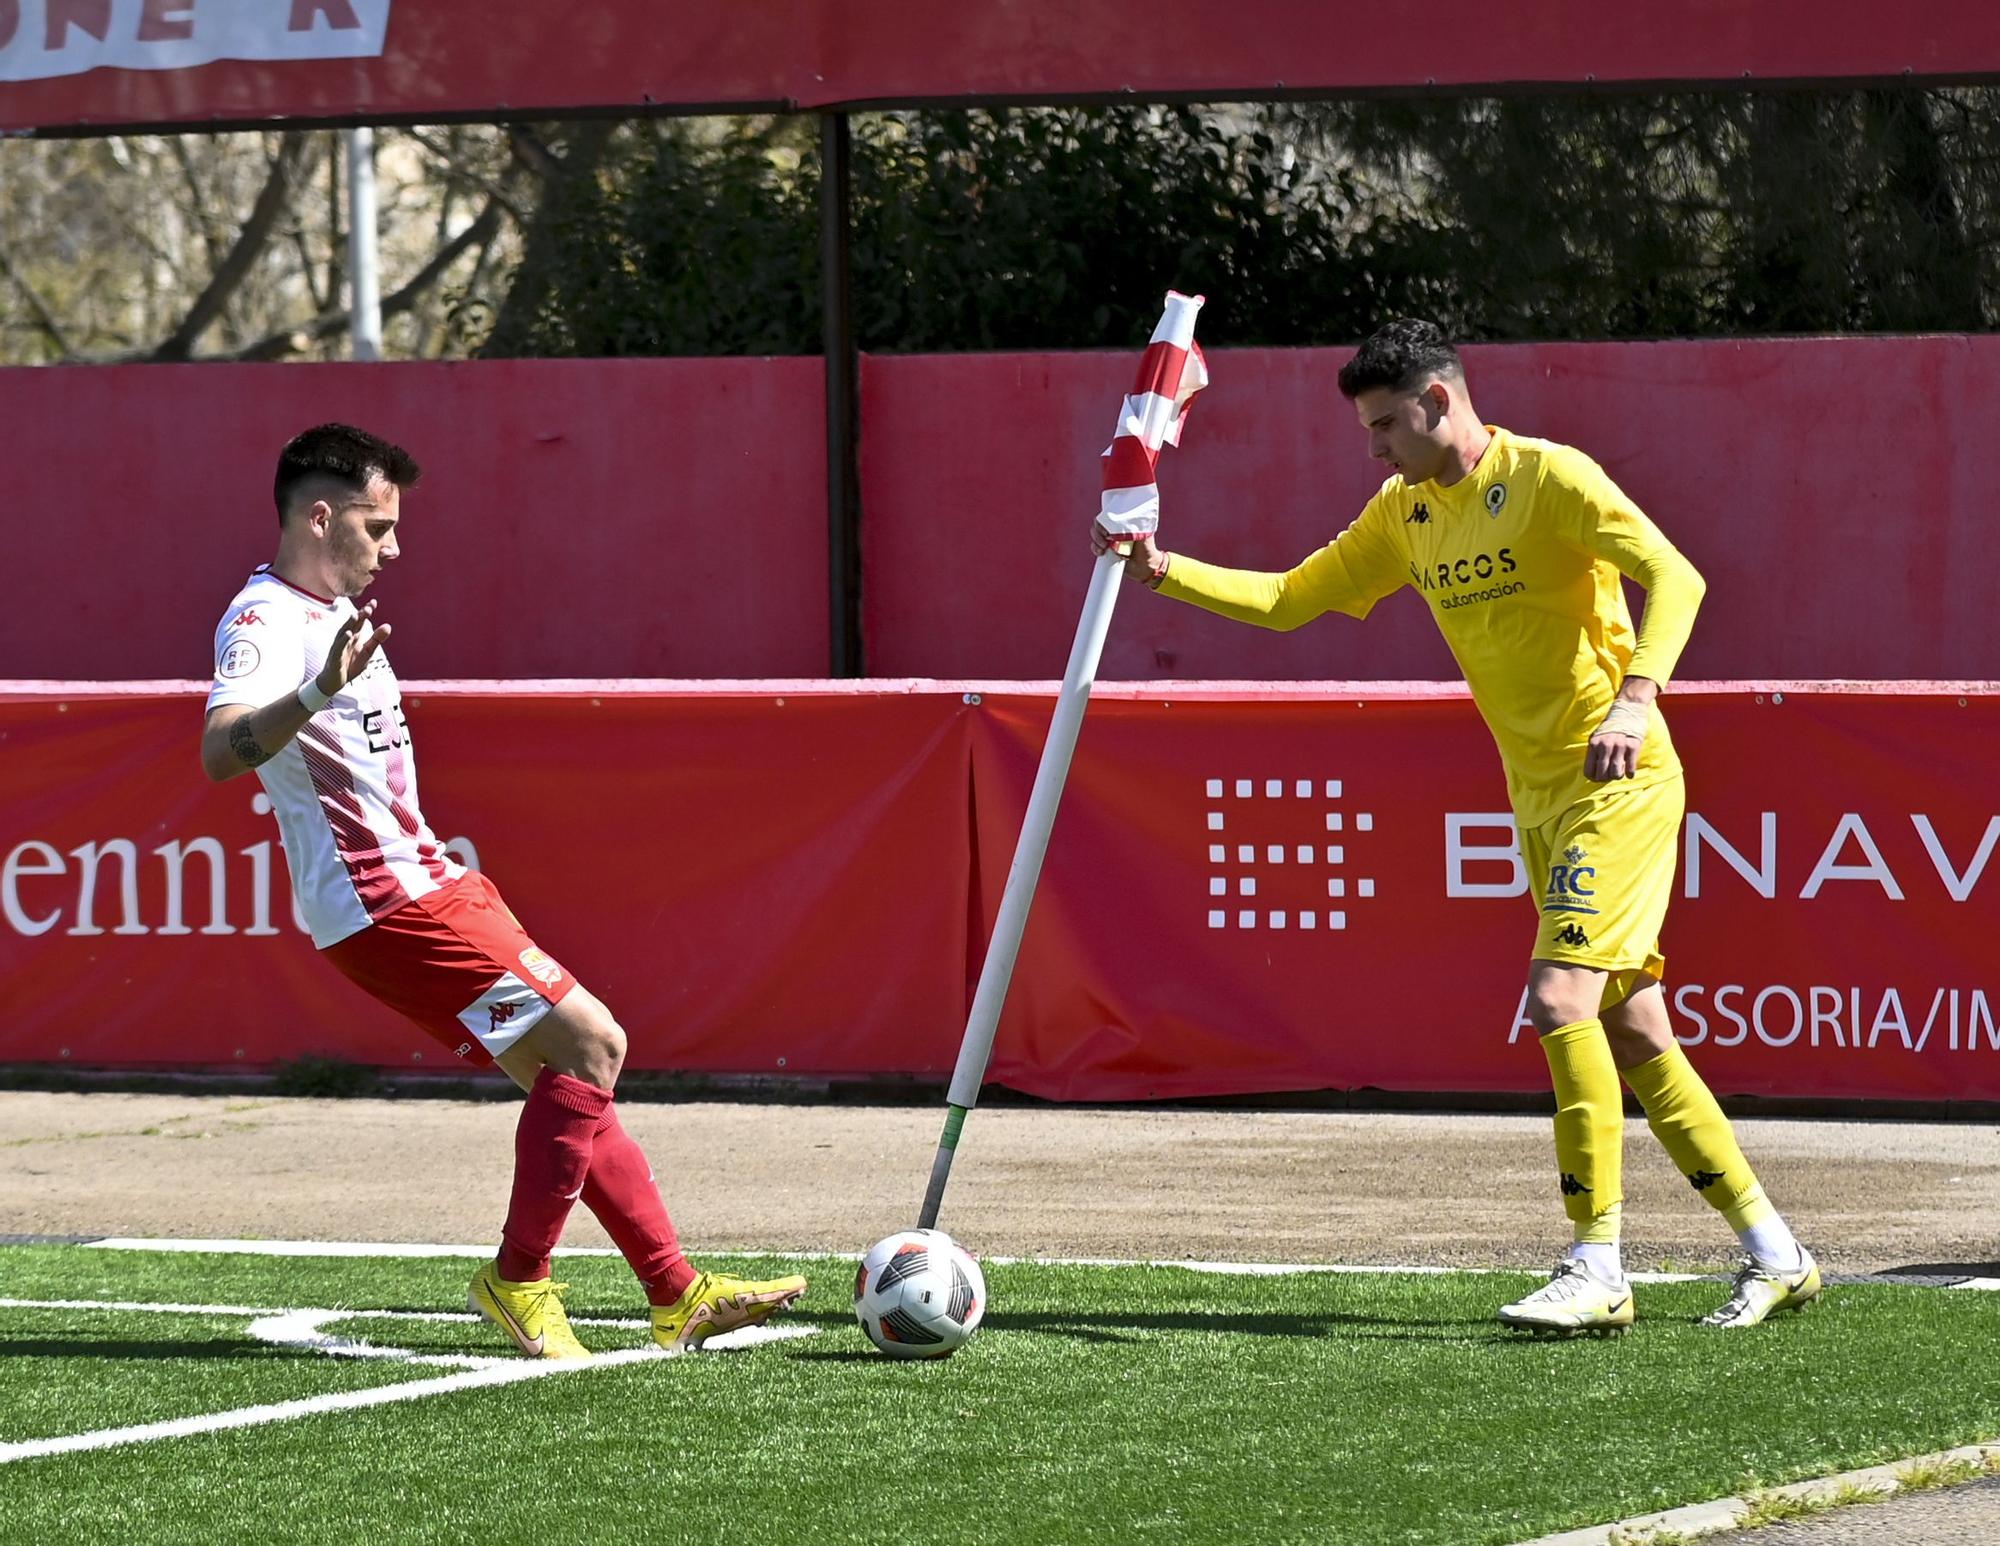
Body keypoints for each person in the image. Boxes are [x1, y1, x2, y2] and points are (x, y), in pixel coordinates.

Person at [1093, 320, 1819, 1335]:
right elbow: (1290, 598)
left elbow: (1677, 576)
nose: (1373, 447)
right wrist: (1160, 568)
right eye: (1366, 428)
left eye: (1387, 424)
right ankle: (1776, 1252)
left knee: (1558, 995)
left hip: (1618, 779)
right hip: (1537, 798)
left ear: (1439, 401)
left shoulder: (1550, 478)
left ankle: (1596, 1261)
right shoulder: (1402, 514)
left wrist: (1634, 696)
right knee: (1632, 1025)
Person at [201, 422, 806, 1360]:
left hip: (426, 880)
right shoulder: (265, 621)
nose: (393, 547)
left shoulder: (331, 617)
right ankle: (518, 1280)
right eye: (377, 525)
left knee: (571, 1081)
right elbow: (217, 750)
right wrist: (315, 694)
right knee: (596, 1042)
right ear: (320, 515)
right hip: (382, 900)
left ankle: (675, 1291)